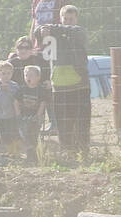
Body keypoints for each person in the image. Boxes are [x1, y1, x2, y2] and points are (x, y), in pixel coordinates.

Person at [40, 4, 88, 154]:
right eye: (65, 19)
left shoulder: (80, 32)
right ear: (60, 19)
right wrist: (43, 31)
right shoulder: (54, 34)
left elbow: (74, 31)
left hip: (80, 85)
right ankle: (66, 150)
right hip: (59, 85)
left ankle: (83, 150)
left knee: (81, 121)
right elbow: (37, 32)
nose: (68, 21)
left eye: (71, 19)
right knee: (62, 121)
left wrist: (51, 28)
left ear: (76, 19)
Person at [19, 63, 49, 163]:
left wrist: (38, 115)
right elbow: (16, 101)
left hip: (36, 116)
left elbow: (43, 103)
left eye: (31, 75)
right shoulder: (22, 89)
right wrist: (18, 114)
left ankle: (36, 155)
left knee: (34, 134)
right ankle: (29, 154)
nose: (28, 77)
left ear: (38, 77)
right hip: (23, 116)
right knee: (25, 134)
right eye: (26, 75)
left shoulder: (40, 90)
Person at [0, 60, 20, 154]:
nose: (6, 75)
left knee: (13, 132)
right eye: (3, 73)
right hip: (0, 114)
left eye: (8, 73)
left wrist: (9, 90)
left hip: (11, 114)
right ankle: (9, 150)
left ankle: (15, 150)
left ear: (12, 74)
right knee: (3, 134)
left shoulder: (14, 85)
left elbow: (17, 98)